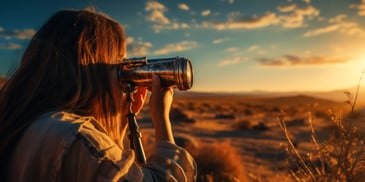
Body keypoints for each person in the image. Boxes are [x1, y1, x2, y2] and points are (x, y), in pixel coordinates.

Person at [0, 8, 196, 181]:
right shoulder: (78, 139)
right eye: (118, 66)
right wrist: (161, 118)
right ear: (94, 72)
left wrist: (122, 115)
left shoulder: (29, 123)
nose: (122, 80)